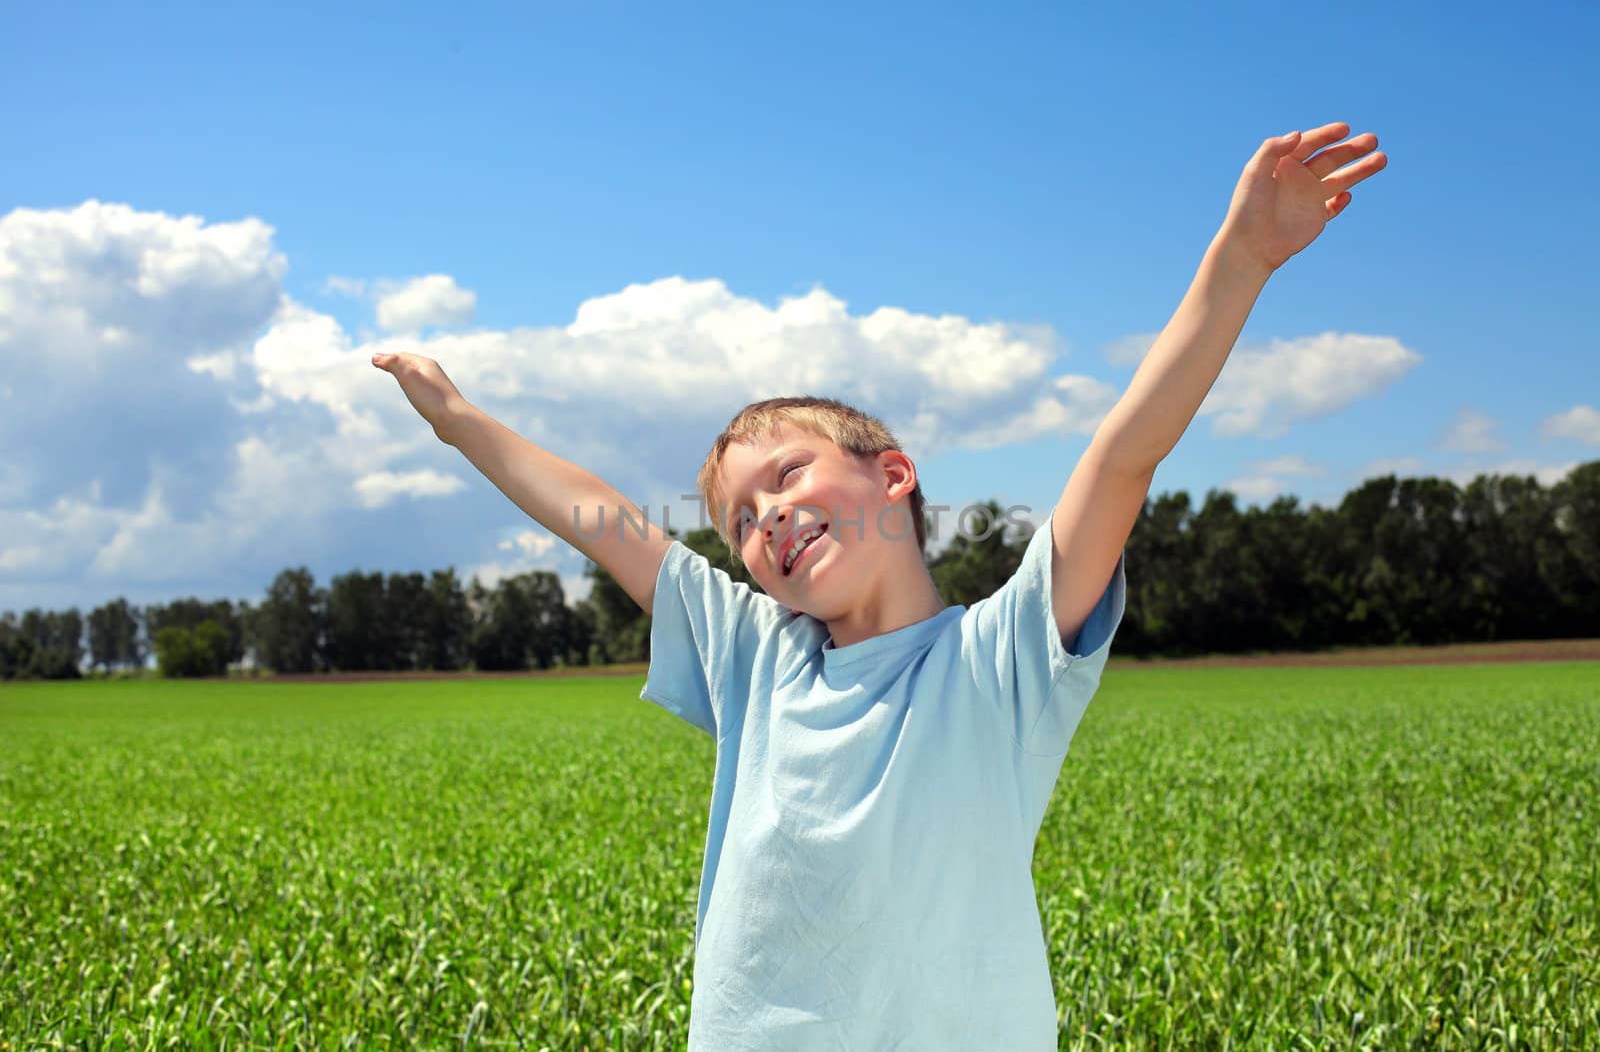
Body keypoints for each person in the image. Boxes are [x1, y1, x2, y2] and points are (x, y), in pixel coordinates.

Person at [374, 121, 1387, 1049]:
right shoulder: (752, 654)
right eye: (737, 519)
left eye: (787, 475)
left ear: (892, 475)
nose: (764, 515)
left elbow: (1122, 455)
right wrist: (458, 420)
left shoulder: (1000, 662)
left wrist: (1241, 259)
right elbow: (602, 517)